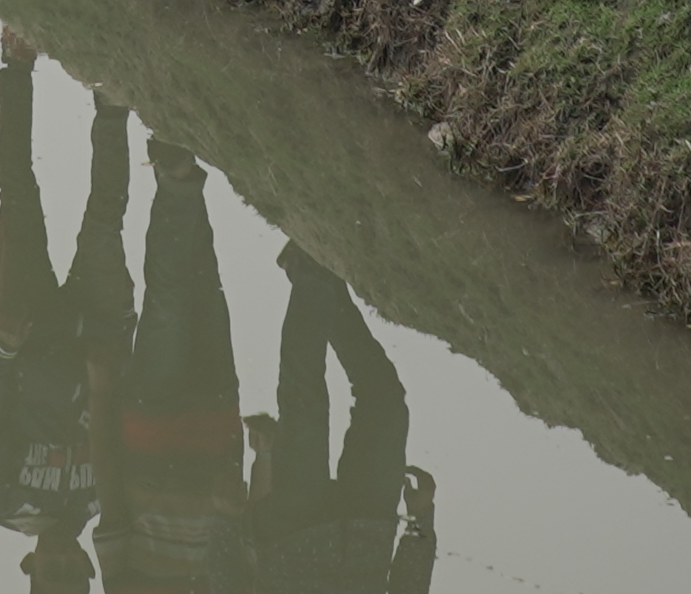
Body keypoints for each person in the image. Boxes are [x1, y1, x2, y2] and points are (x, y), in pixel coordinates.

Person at [0, 39, 129, 586]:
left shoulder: (6, 501)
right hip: (99, 330)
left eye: (51, 570)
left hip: (28, 331)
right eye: (73, 568)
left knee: (17, 192)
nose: (62, 558)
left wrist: (1, 351)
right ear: (87, 563)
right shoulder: (107, 502)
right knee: (107, 217)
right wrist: (116, 364)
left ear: (31, 565)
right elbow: (128, 419)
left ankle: (15, 65)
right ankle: (113, 104)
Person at [94, 139, 247, 592]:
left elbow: (109, 493)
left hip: (151, 424)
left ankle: (176, 180)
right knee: (205, 292)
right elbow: (246, 557)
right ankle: (183, 179)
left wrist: (101, 394)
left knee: (169, 302)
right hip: (217, 430)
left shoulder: (121, 587)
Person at [244, 248, 438, 593]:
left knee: (306, 409)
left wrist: (226, 520)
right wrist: (421, 520)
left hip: (292, 539)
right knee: (387, 406)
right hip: (368, 538)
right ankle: (321, 281)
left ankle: (311, 274)